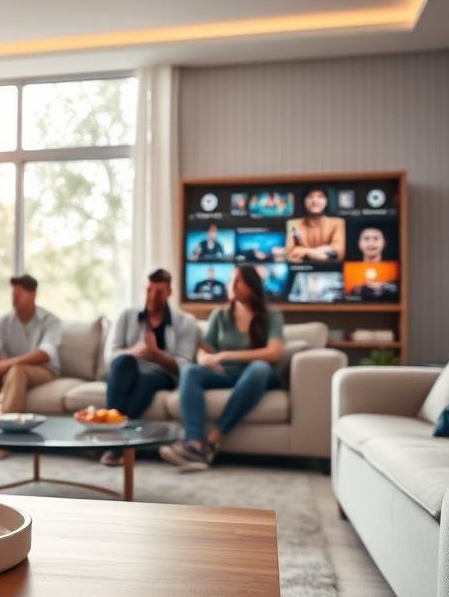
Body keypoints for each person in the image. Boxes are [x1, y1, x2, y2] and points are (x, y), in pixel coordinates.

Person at [160, 265, 285, 472]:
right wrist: (206, 359)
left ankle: (214, 438)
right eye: (230, 281)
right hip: (226, 374)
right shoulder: (219, 315)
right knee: (190, 371)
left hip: (257, 376)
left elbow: (273, 353)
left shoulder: (272, 315)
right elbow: (204, 350)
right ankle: (195, 444)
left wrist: (226, 355)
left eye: (238, 281)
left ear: (252, 286)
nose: (231, 285)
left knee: (260, 368)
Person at [101, 268, 198, 466]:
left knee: (147, 380)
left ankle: (111, 444)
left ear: (169, 293)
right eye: (149, 290)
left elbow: (184, 365)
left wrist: (156, 355)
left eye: (159, 292)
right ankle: (116, 443)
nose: (152, 296)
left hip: (161, 373)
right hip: (128, 368)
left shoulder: (185, 322)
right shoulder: (127, 315)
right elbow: (110, 356)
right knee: (122, 362)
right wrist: (136, 351)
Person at [0, 274, 61, 462]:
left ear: (33, 295)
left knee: (17, 369)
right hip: (11, 372)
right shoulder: (4, 321)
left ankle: (2, 442)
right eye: (12, 294)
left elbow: (45, 353)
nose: (13, 299)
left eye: (18, 295)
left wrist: (7, 363)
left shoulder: (50, 320)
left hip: (44, 370)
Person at [285, 188, 345, 262]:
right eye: (310, 197)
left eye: (320, 196)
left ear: (326, 201)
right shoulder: (293, 224)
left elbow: (339, 249)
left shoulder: (338, 222)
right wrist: (311, 253)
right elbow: (289, 251)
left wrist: (304, 251)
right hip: (303, 267)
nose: (315, 201)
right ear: (304, 200)